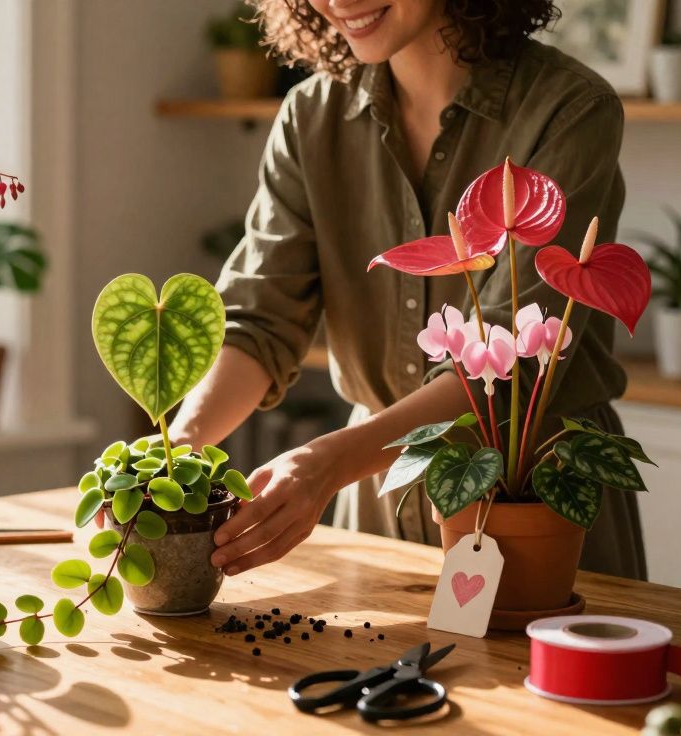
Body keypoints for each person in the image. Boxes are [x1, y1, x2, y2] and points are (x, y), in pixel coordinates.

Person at [170, 0, 645, 580]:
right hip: (373, 512)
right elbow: (258, 321)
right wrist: (178, 450)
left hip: (536, 508)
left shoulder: (569, 109)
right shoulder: (311, 116)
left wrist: (326, 463)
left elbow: (509, 362)